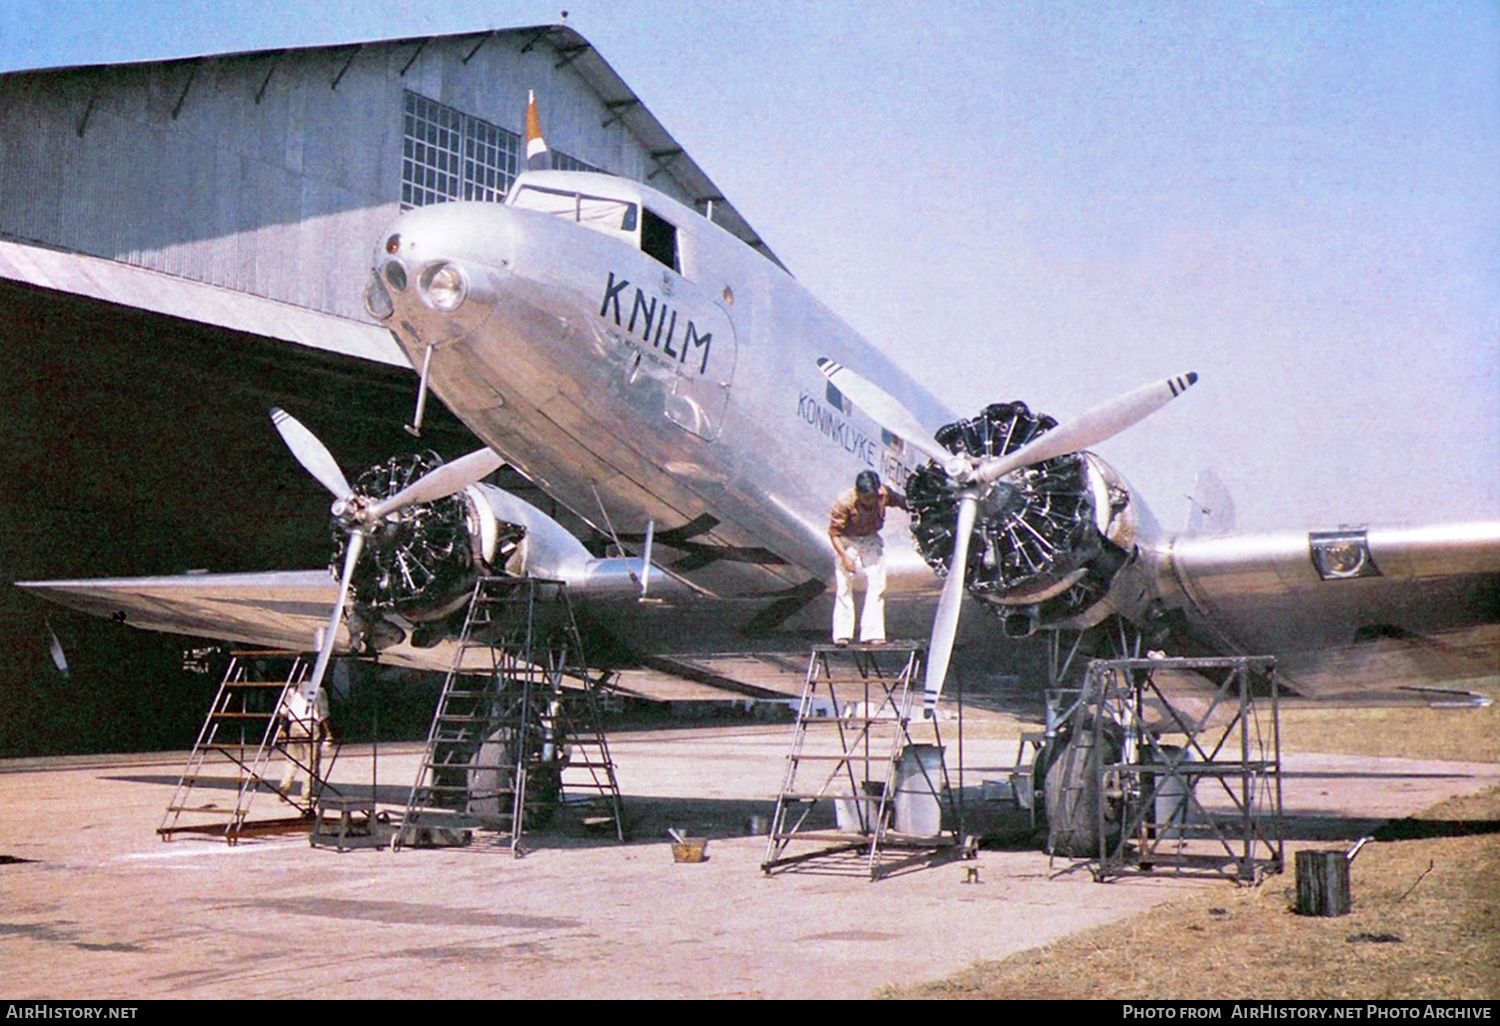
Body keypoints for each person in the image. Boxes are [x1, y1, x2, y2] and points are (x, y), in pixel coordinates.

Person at [828, 470, 908, 645]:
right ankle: (842, 634)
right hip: (847, 540)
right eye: (865, 498)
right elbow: (834, 534)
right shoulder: (844, 502)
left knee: (877, 584)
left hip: (870, 538)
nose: (870, 501)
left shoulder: (884, 494)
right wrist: (845, 558)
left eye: (872, 497)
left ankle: (873, 633)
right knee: (844, 585)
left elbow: (902, 502)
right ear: (858, 494)